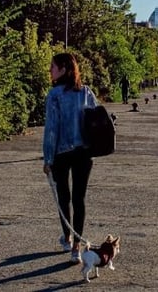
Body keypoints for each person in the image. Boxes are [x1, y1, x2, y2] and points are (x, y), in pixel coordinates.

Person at [43, 53, 98, 264]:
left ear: (64, 69)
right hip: (84, 153)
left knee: (64, 198)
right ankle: (77, 246)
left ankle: (67, 237)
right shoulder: (86, 92)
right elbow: (96, 118)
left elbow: (51, 130)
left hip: (61, 153)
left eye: (53, 66)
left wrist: (48, 158)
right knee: (79, 199)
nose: (50, 70)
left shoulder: (55, 94)